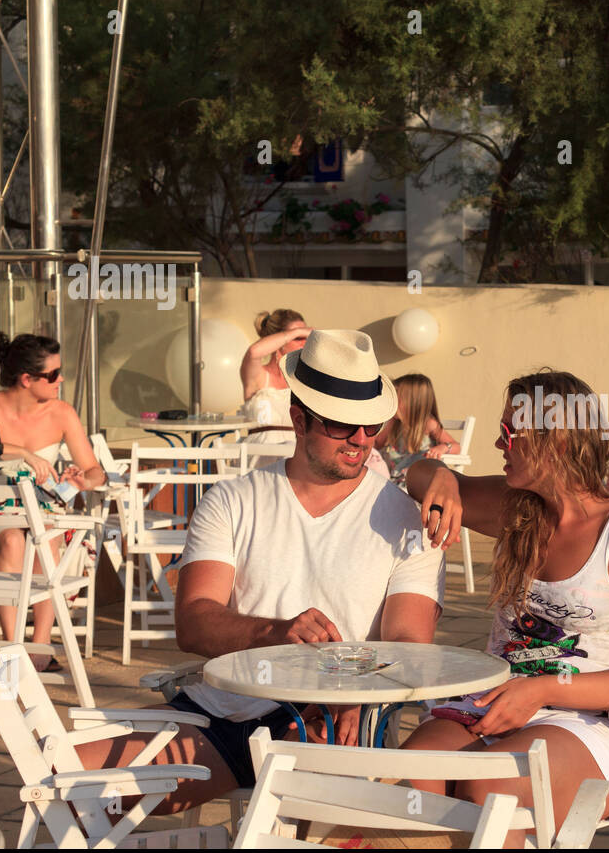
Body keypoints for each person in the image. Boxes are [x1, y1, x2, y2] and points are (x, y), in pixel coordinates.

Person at [76, 330, 445, 811]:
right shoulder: (231, 500)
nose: (359, 440)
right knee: (67, 788)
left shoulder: (406, 517)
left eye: (371, 426)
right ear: (298, 418)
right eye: (341, 425)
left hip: (327, 723)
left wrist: (354, 693)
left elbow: (410, 644)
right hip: (222, 712)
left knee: (304, 816)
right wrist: (277, 631)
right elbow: (193, 622)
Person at [401, 370, 609, 846]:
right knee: (412, 778)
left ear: (553, 441)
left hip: (593, 721)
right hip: (496, 703)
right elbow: (414, 472)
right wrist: (446, 478)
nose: (498, 442)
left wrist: (541, 691)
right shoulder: (517, 509)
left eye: (510, 433)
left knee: (488, 788)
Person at [0, 332, 107, 671]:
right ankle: (13, 645)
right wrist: (23, 454)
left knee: (46, 532)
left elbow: (96, 472)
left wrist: (81, 482)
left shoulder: (61, 413)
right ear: (27, 379)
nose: (61, 380)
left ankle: (41, 645)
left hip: (44, 510)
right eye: (53, 375)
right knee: (14, 538)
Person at [373, 373, 460, 485]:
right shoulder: (395, 423)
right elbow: (376, 444)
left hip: (414, 481)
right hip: (389, 478)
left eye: (396, 399)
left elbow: (457, 447)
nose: (392, 403)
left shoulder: (428, 424)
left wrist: (443, 447)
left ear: (412, 402)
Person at [239, 308, 309, 444]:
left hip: (294, 455)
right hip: (259, 457)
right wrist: (297, 331)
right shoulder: (259, 375)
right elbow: (254, 352)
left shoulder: (304, 380)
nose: (304, 343)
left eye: (307, 338)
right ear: (279, 341)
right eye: (298, 338)